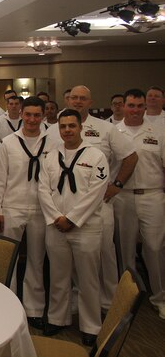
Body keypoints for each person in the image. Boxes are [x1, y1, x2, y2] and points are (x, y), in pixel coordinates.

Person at [48, 85, 137, 312]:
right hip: (64, 203)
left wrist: (117, 185)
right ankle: (78, 302)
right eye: (74, 98)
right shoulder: (53, 130)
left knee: (105, 255)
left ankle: (110, 303)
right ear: (68, 100)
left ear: (90, 102)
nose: (78, 101)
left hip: (98, 204)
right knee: (73, 261)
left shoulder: (105, 129)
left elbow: (130, 156)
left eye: (83, 98)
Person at [38, 109, 108, 345]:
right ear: (59, 129)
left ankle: (91, 326)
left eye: (72, 126)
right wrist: (57, 217)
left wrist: (73, 218)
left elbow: (96, 193)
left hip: (85, 227)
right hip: (56, 226)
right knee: (58, 276)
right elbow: (43, 190)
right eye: (63, 126)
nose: (67, 130)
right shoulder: (50, 157)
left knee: (88, 279)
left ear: (81, 128)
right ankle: (57, 319)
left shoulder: (96, 156)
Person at [0, 97, 57, 328]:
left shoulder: (53, 141)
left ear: (42, 116)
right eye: (27, 114)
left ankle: (34, 309)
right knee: (8, 258)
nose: (31, 119)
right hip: (12, 206)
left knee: (36, 260)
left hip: (41, 209)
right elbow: (0, 179)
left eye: (36, 115)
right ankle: (6, 305)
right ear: (21, 113)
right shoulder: (9, 143)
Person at [112, 89, 165, 319]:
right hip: (122, 196)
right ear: (123, 107)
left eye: (139, 105)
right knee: (125, 250)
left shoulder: (159, 132)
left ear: (145, 107)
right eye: (130, 105)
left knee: (154, 248)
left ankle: (160, 297)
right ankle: (129, 297)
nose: (134, 110)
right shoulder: (113, 131)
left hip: (152, 195)